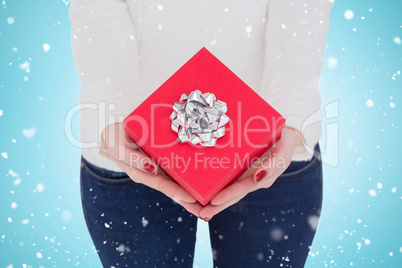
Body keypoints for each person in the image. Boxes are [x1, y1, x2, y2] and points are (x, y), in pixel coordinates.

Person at [69, 0, 333, 267]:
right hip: (129, 152)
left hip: (271, 150)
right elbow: (95, 9)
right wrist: (113, 114)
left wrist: (289, 116)